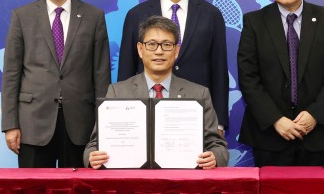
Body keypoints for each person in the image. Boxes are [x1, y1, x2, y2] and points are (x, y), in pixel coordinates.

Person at [1, 0, 111, 168]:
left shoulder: (93, 16)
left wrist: (104, 127)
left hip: (81, 124)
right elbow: (11, 74)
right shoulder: (22, 16)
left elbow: (101, 76)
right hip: (33, 123)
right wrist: (10, 124)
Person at [237, 0, 324, 166]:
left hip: (315, 135)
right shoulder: (254, 22)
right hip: (269, 136)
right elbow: (248, 77)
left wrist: (315, 114)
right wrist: (275, 120)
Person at [85, 16, 228, 169]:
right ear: (140, 49)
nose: (159, 51)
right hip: (133, 182)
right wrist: (92, 156)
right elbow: (93, 145)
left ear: (176, 50)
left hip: (181, 181)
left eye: (166, 45)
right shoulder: (117, 92)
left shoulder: (199, 94)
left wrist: (214, 157)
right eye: (152, 44)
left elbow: (217, 146)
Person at [117, 0, 229, 133]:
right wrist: (124, 118)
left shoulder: (211, 15)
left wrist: (219, 123)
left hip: (197, 114)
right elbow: (126, 70)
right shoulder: (136, 15)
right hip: (145, 113)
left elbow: (219, 71)